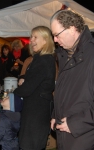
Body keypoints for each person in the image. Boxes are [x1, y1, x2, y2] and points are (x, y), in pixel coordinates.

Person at [50, 10, 94, 150]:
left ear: (72, 28)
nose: (55, 40)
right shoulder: (65, 55)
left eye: (57, 35)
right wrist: (55, 114)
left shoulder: (91, 55)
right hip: (66, 133)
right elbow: (65, 91)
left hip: (84, 136)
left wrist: (75, 124)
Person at [13, 26, 56, 150]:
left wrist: (14, 92)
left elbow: (28, 88)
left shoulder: (44, 60)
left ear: (45, 40)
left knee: (30, 145)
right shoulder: (41, 59)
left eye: (35, 37)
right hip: (36, 110)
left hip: (36, 112)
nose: (31, 40)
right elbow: (34, 79)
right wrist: (24, 78)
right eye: (31, 37)